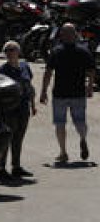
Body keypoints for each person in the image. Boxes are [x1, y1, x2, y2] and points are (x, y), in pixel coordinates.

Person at [40, 23, 95, 164]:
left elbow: (48, 72)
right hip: (77, 92)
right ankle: (82, 139)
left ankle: (63, 152)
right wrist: (89, 87)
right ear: (75, 34)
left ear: (62, 35)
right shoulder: (83, 51)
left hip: (60, 93)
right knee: (80, 121)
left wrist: (43, 91)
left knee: (60, 124)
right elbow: (91, 71)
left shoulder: (56, 51)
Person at [0, 40, 36, 181]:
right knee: (7, 139)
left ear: (18, 52)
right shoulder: (1, 70)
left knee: (18, 138)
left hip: (23, 108)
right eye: (7, 50)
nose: (10, 52)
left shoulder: (25, 66)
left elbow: (29, 87)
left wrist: (33, 104)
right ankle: (1, 169)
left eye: (12, 49)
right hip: (9, 109)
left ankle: (16, 167)